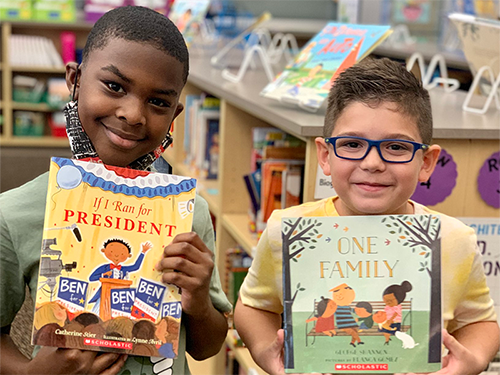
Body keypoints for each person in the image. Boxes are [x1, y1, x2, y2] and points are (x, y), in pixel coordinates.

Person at [0, 6, 231, 375]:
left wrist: (200, 300)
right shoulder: (14, 214)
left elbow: (207, 348)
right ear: (75, 80)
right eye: (114, 86)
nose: (133, 114)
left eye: (158, 102)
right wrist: (30, 372)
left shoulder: (191, 214)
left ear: (175, 114)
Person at [234, 57, 500, 375]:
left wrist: (471, 361)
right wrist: (268, 356)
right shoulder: (286, 232)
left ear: (427, 162)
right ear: (325, 155)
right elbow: (253, 307)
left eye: (397, 147)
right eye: (352, 144)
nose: (372, 162)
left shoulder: (453, 239)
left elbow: (481, 321)